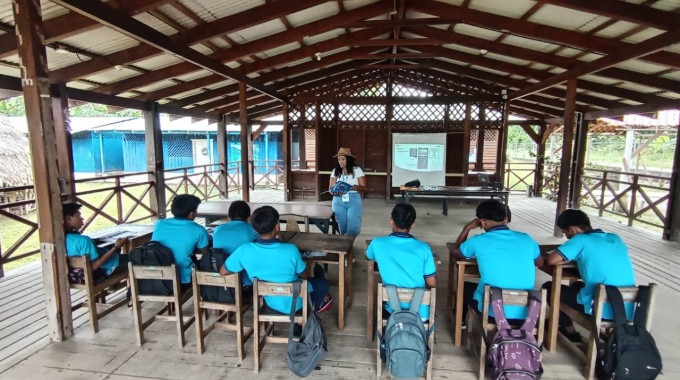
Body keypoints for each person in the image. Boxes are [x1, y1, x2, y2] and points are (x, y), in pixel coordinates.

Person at [542, 209, 635, 342]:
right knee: (578, 285)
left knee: (549, 288)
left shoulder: (580, 240)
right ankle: (556, 319)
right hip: (626, 305)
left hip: (602, 305)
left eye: (565, 232)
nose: (566, 237)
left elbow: (551, 260)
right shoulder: (614, 238)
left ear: (573, 229)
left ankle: (569, 330)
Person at [220, 206, 332, 313]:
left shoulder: (244, 250)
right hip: (295, 302)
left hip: (270, 301)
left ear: (254, 228)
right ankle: (312, 307)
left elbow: (223, 272)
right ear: (277, 226)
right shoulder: (291, 250)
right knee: (323, 283)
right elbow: (303, 276)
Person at [451, 200, 542, 324]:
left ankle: (460, 323)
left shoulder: (479, 240)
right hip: (527, 314)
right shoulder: (526, 239)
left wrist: (467, 228)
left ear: (482, 221)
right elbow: (540, 263)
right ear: (505, 218)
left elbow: (456, 253)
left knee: (464, 286)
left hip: (493, 312)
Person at [366, 203, 436, 320]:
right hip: (420, 313)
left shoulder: (377, 244)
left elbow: (368, 256)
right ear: (413, 224)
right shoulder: (424, 248)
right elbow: (432, 283)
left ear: (391, 220)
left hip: (391, 310)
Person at [151, 194, 209, 288]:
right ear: (191, 214)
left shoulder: (159, 224)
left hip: (157, 279)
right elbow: (205, 253)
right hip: (182, 280)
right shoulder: (199, 230)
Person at [63, 202, 128, 280]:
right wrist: (115, 247)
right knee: (140, 260)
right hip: (107, 269)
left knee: (113, 248)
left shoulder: (64, 238)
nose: (82, 218)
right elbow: (93, 267)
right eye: (78, 215)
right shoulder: (83, 240)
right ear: (68, 218)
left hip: (77, 273)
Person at [212, 200, 259, 285]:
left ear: (228, 217)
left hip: (221, 277)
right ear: (249, 218)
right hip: (246, 280)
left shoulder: (218, 229)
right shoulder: (253, 230)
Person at [328, 147, 366, 236]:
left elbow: (364, 187)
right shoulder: (335, 171)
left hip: (353, 199)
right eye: (339, 159)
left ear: (348, 160)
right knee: (342, 227)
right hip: (338, 200)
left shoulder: (357, 170)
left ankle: (346, 242)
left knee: (354, 228)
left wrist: (356, 187)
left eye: (343, 159)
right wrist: (334, 192)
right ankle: (346, 247)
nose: (340, 162)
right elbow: (330, 189)